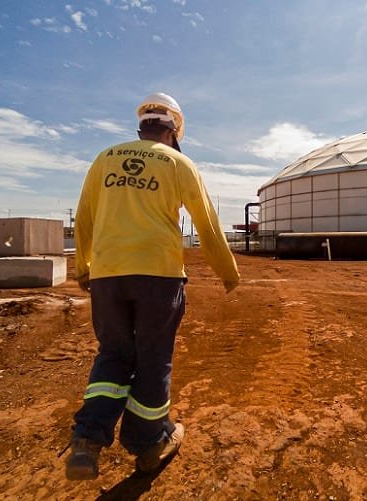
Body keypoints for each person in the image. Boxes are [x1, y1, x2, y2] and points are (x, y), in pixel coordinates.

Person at [65, 92, 240, 480]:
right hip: (158, 277)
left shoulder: (104, 158)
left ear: (141, 124)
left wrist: (83, 267)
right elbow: (207, 221)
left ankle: (87, 439)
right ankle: (149, 443)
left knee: (113, 354)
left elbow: (85, 217)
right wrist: (227, 272)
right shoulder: (179, 163)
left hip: (108, 275)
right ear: (174, 129)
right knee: (153, 356)